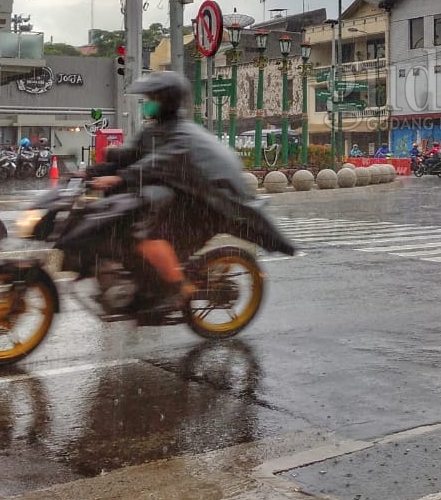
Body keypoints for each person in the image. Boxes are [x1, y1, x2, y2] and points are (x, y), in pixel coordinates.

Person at [88, 72, 297, 318]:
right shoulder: (154, 130)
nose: (147, 102)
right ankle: (144, 289)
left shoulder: (183, 134)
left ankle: (177, 291)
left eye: (152, 98)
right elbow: (132, 155)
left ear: (166, 100)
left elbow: (157, 162)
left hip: (210, 205)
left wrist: (121, 177)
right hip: (187, 198)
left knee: (147, 238)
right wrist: (91, 172)